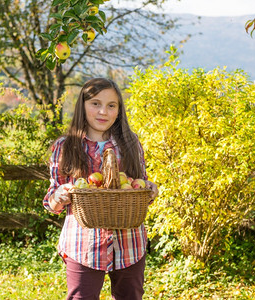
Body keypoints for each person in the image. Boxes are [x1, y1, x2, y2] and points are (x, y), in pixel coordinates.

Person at [43, 77, 159, 300]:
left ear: (118, 110)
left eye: (111, 105)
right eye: (95, 103)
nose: (103, 112)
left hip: (129, 241)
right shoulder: (66, 145)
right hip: (82, 243)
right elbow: (51, 201)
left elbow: (139, 186)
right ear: (82, 106)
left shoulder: (130, 143)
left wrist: (150, 190)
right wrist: (59, 196)